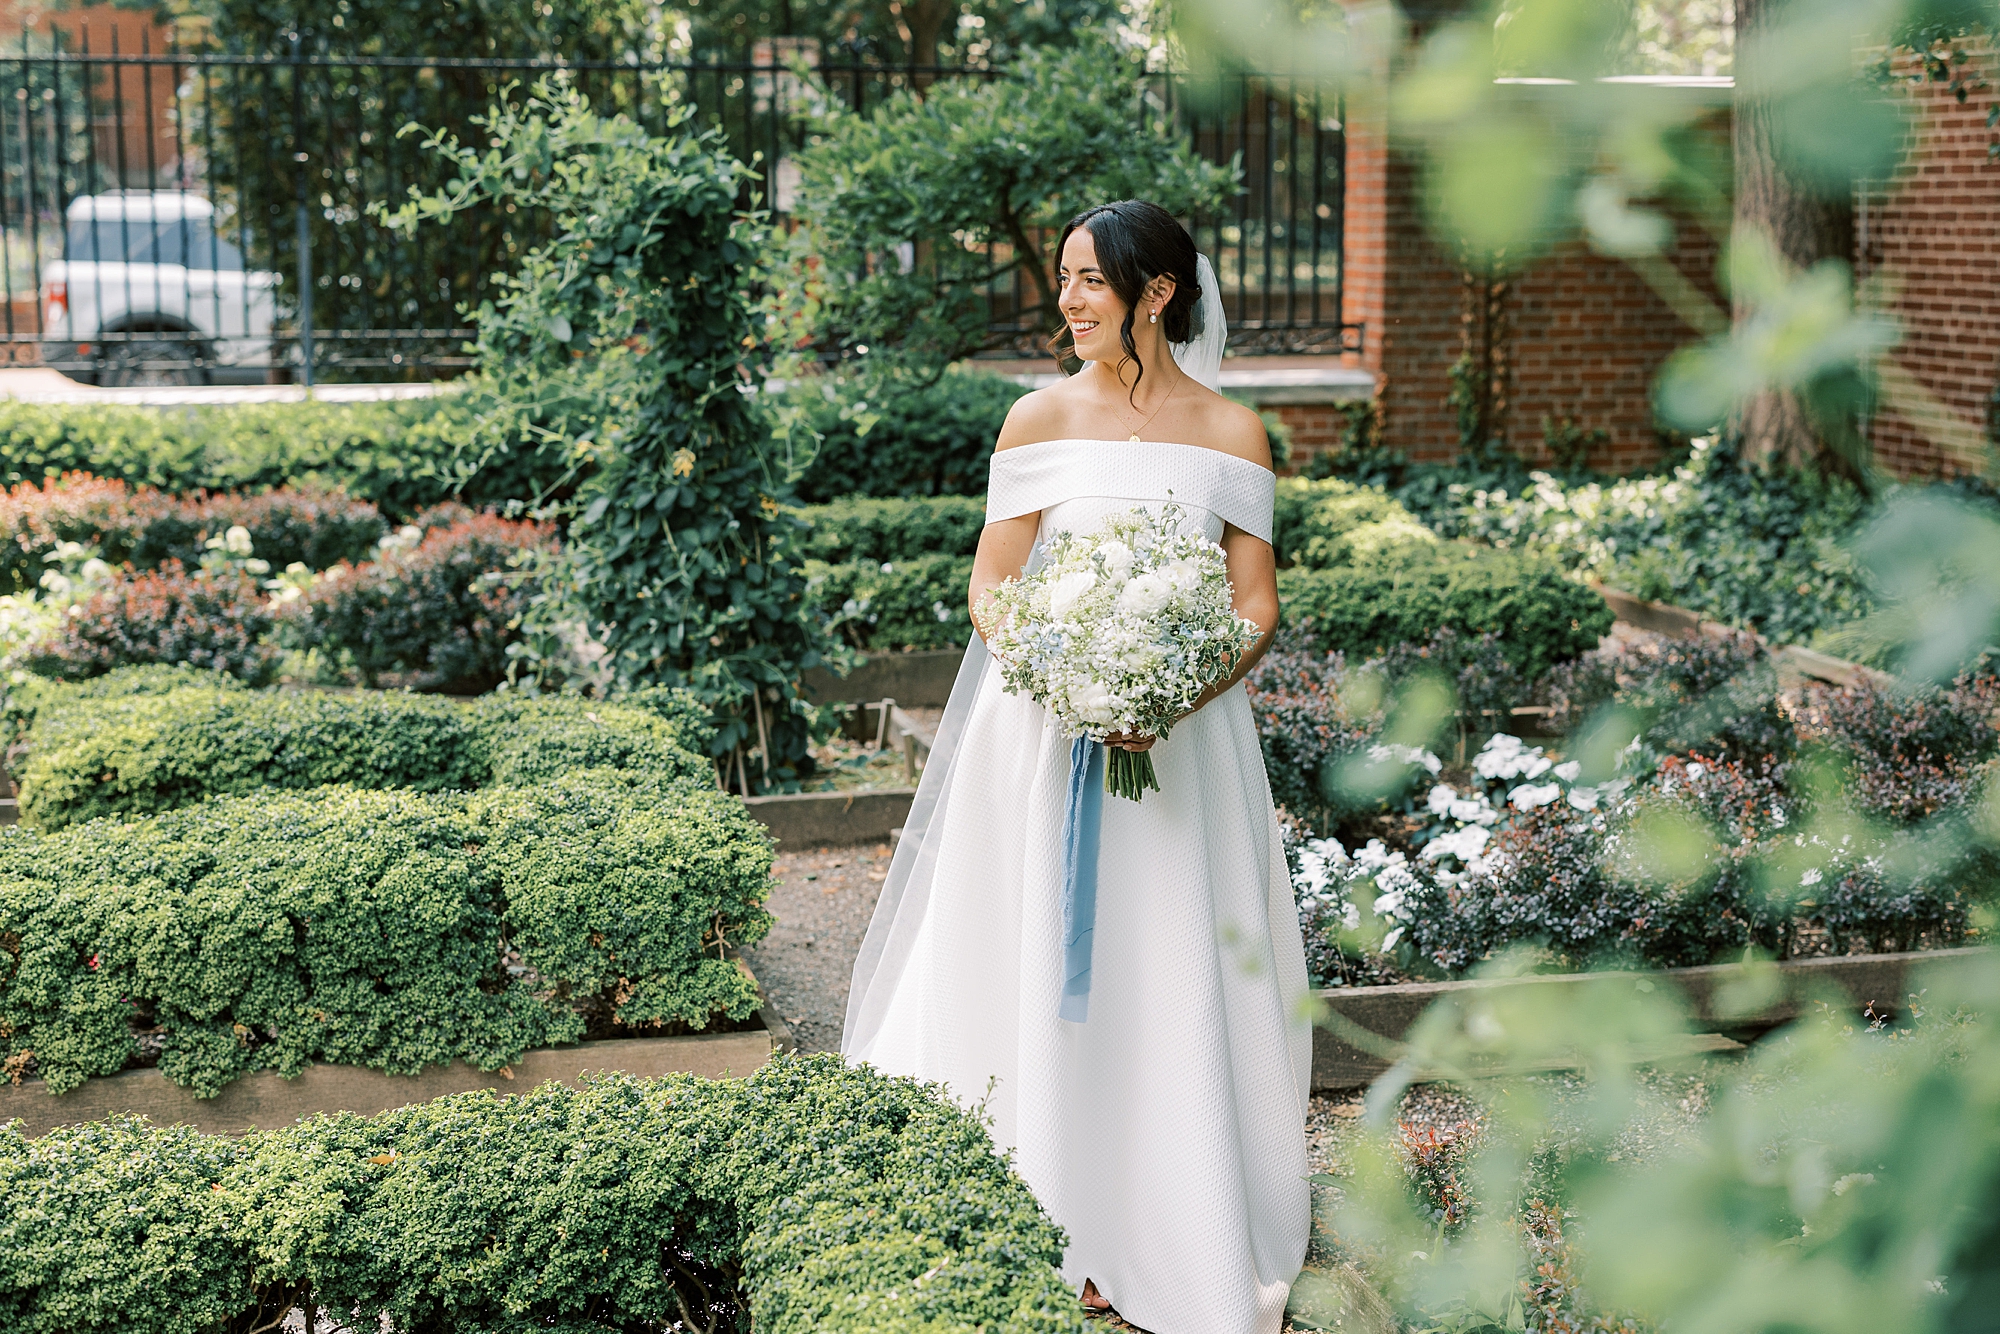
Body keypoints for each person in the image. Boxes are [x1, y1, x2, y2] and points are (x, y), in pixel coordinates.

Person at [842, 199, 1311, 1334]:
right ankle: (1042, 1211)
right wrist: (1073, 687)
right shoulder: (1035, 417)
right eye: (1062, 277)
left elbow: (1253, 610)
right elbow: (990, 587)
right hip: (1042, 737)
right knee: (1033, 951)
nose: (1067, 298)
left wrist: (1159, 700)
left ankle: (1165, 1216)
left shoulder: (1232, 434)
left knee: (1165, 960)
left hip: (1182, 752)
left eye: (1090, 279)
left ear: (1156, 292)